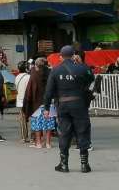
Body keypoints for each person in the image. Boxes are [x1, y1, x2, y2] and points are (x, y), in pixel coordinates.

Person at [44, 45, 94, 173]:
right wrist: (81, 64)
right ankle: (84, 164)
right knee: (82, 131)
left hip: (63, 105)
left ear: (60, 56)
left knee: (64, 133)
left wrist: (46, 108)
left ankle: (64, 164)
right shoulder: (81, 67)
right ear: (73, 55)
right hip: (79, 104)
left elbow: (48, 91)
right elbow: (91, 78)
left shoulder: (55, 70)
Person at [24, 58, 56, 149]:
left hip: (37, 102)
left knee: (37, 123)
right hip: (50, 102)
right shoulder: (51, 73)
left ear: (37, 65)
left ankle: (38, 143)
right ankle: (48, 143)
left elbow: (30, 89)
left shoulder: (34, 74)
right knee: (49, 123)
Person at [15, 60, 31, 144]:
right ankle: (32, 137)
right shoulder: (28, 77)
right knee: (31, 119)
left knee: (22, 120)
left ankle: (24, 137)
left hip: (20, 101)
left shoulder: (17, 77)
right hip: (28, 101)